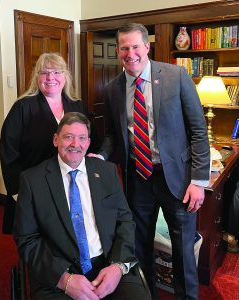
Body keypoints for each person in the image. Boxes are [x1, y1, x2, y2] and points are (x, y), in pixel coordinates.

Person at [96, 23, 210, 299]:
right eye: (124, 48)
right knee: (139, 245)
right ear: (118, 51)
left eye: (136, 46)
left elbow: (198, 130)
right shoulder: (113, 89)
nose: (130, 53)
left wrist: (198, 180)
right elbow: (112, 134)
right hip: (139, 178)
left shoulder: (176, 76)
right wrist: (99, 156)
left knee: (183, 249)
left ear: (147, 47)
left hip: (178, 180)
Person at [13, 112, 151, 300]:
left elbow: (125, 221)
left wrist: (118, 267)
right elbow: (27, 239)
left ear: (88, 142)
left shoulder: (107, 172)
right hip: (60, 271)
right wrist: (64, 279)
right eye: (68, 137)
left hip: (108, 263)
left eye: (81, 138)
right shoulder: (32, 181)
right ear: (56, 140)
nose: (75, 144)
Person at [0, 53, 96, 234]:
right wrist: (16, 191)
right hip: (34, 186)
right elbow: (8, 150)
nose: (50, 78)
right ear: (37, 78)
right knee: (36, 240)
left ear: (65, 76)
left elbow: (90, 139)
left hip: (70, 184)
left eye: (56, 72)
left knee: (68, 233)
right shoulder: (23, 107)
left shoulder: (76, 105)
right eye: (44, 73)